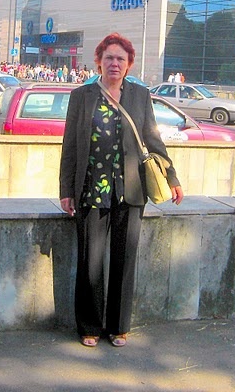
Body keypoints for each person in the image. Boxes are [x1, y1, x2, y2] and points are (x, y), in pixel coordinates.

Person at [59, 33, 183, 349]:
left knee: (124, 260)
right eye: (109, 58)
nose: (115, 63)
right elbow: (70, 146)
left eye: (121, 59)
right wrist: (66, 189)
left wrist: (172, 177)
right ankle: (89, 325)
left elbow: (153, 139)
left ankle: (118, 326)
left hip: (131, 190)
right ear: (99, 62)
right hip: (91, 189)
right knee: (91, 261)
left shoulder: (140, 96)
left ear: (129, 65)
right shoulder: (82, 96)